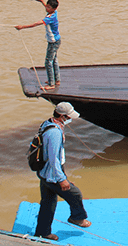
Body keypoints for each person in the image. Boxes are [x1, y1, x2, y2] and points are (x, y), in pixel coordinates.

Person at [33, 102, 91, 241]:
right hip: (51, 174)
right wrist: (61, 179)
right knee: (75, 194)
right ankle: (77, 218)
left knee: (48, 203)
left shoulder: (48, 124)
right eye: (68, 117)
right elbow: (53, 159)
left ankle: (43, 232)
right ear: (62, 116)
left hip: (44, 173)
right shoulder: (54, 133)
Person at [15, 0, 61, 91]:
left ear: (54, 9)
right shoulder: (53, 12)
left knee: (48, 62)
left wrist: (22, 27)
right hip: (56, 41)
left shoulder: (50, 18)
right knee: (54, 60)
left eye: (48, 7)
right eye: (47, 6)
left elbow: (35, 24)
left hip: (53, 43)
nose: (46, 8)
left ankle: (52, 83)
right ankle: (57, 80)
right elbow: (43, 2)